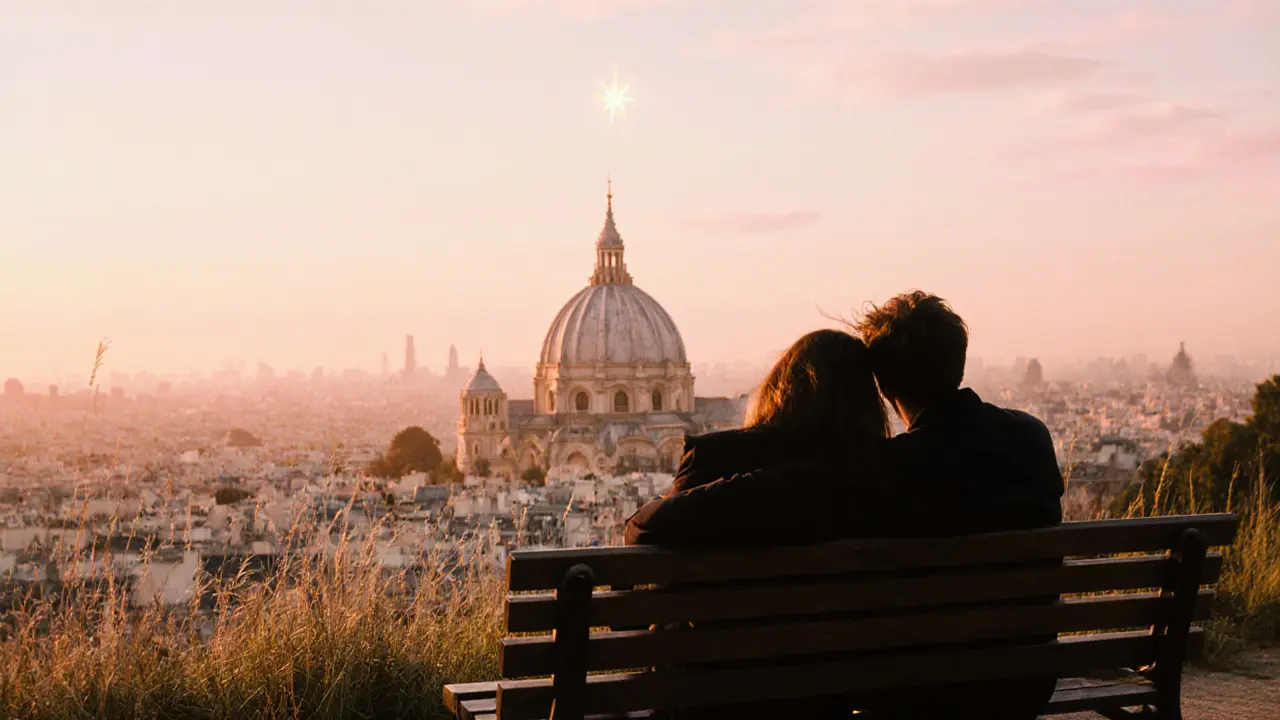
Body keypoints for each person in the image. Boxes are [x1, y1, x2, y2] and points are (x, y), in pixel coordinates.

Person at [625, 291, 1064, 719]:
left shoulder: (879, 470)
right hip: (1026, 683)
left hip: (926, 693)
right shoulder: (1033, 438)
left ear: (885, 385)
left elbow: (668, 521)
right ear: (959, 358)